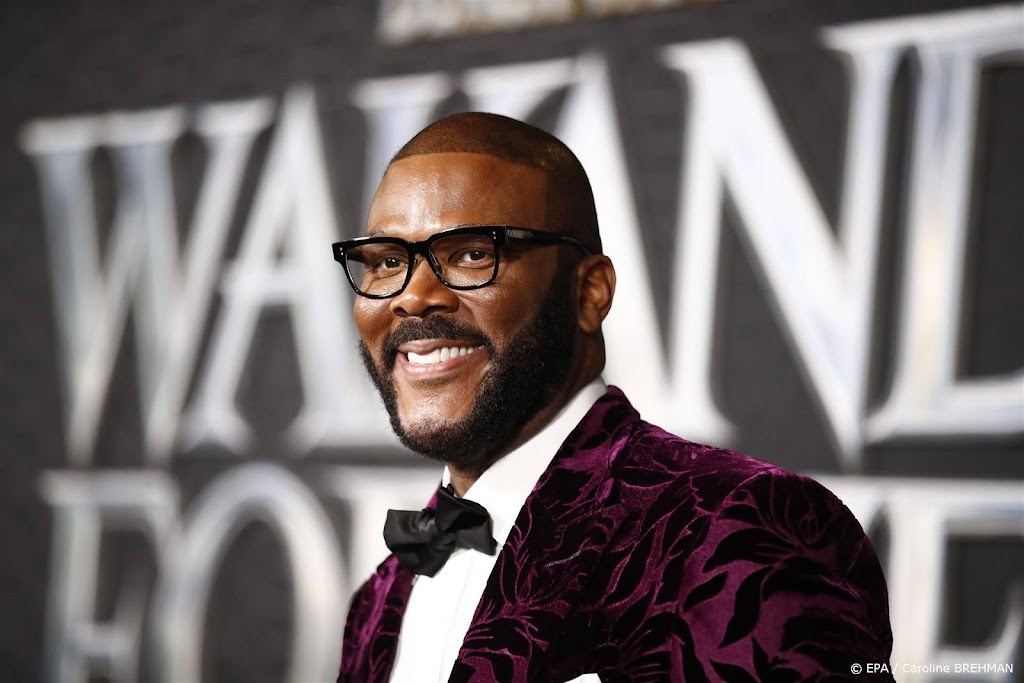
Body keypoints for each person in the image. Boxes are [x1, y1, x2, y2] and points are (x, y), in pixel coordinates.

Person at [334, 112, 895, 682]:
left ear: (590, 292)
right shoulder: (378, 598)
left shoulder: (738, 531)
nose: (413, 297)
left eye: (473, 254)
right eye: (387, 262)